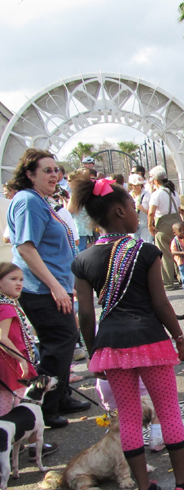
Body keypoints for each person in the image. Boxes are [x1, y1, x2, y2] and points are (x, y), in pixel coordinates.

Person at [71, 176, 184, 490]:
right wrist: (179, 338)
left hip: (112, 348)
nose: (138, 213)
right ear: (119, 211)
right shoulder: (145, 252)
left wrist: (94, 353)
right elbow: (161, 304)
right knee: (168, 412)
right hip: (150, 342)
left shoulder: (83, 260)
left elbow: (86, 316)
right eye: (134, 208)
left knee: (129, 418)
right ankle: (183, 487)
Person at [7, 149, 88, 429]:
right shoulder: (28, 201)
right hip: (41, 289)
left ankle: (61, 396)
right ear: (30, 175)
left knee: (63, 342)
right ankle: (46, 408)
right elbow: (25, 248)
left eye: (56, 170)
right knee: (59, 343)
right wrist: (55, 286)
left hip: (53, 286)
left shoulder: (39, 200)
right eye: (47, 170)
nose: (55, 175)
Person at [0, 263, 39, 415]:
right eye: (13, 279)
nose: (19, 283)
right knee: (16, 406)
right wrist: (22, 359)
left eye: (21, 280)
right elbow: (2, 338)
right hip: (11, 362)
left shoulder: (8, 304)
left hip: (10, 360)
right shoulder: (6, 307)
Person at [147, 166, 181, 289]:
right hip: (177, 222)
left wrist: (150, 225)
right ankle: (182, 277)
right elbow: (178, 209)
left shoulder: (156, 194)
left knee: (165, 253)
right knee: (179, 251)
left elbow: (151, 212)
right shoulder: (174, 192)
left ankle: (168, 282)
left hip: (163, 224)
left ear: (156, 181)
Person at [128, 171, 152, 242]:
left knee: (146, 244)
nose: (137, 187)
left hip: (145, 224)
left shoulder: (147, 195)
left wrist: (143, 209)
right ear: (131, 185)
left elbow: (153, 212)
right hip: (133, 225)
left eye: (139, 185)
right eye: (135, 185)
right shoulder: (129, 196)